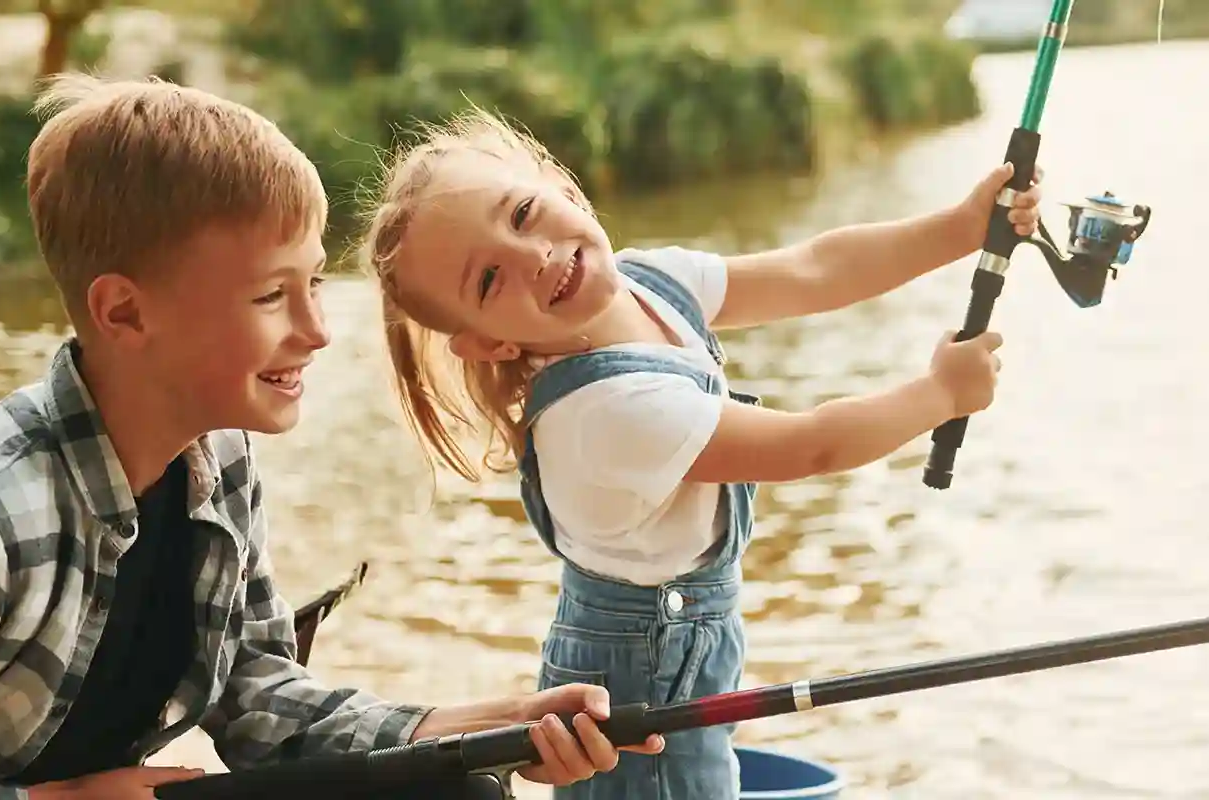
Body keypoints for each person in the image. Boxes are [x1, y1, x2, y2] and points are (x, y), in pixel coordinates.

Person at [0, 75, 661, 800]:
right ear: (123, 314)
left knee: (450, 788)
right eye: (270, 296)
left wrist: (479, 728)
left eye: (314, 281)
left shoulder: (217, 456)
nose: (317, 331)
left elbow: (255, 693)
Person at [355, 106, 1038, 799]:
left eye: (524, 213)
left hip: (684, 654)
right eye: (489, 279)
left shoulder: (648, 281)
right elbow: (811, 446)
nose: (534, 256)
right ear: (491, 343)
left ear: (559, 185)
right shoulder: (605, 415)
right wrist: (938, 395)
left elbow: (813, 270)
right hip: (637, 694)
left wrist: (960, 228)